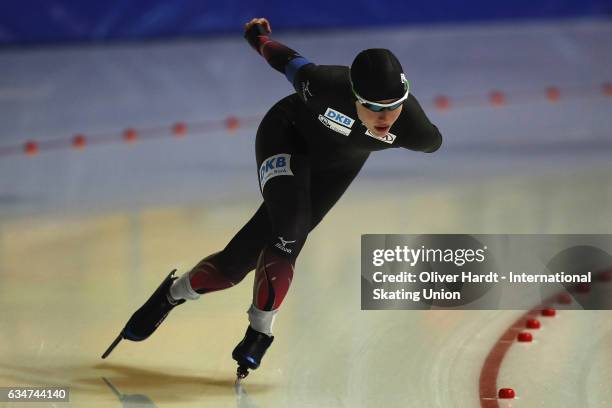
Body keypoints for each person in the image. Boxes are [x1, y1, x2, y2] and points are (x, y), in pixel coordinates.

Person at [102, 17, 442, 379]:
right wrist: (258, 37)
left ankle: (170, 294)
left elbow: (431, 140)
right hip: (285, 136)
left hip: (336, 169)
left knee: (233, 267)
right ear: (353, 94)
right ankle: (260, 331)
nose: (385, 117)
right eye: (373, 106)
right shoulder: (323, 84)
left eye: (395, 105)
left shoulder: (418, 131)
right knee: (291, 228)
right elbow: (288, 61)